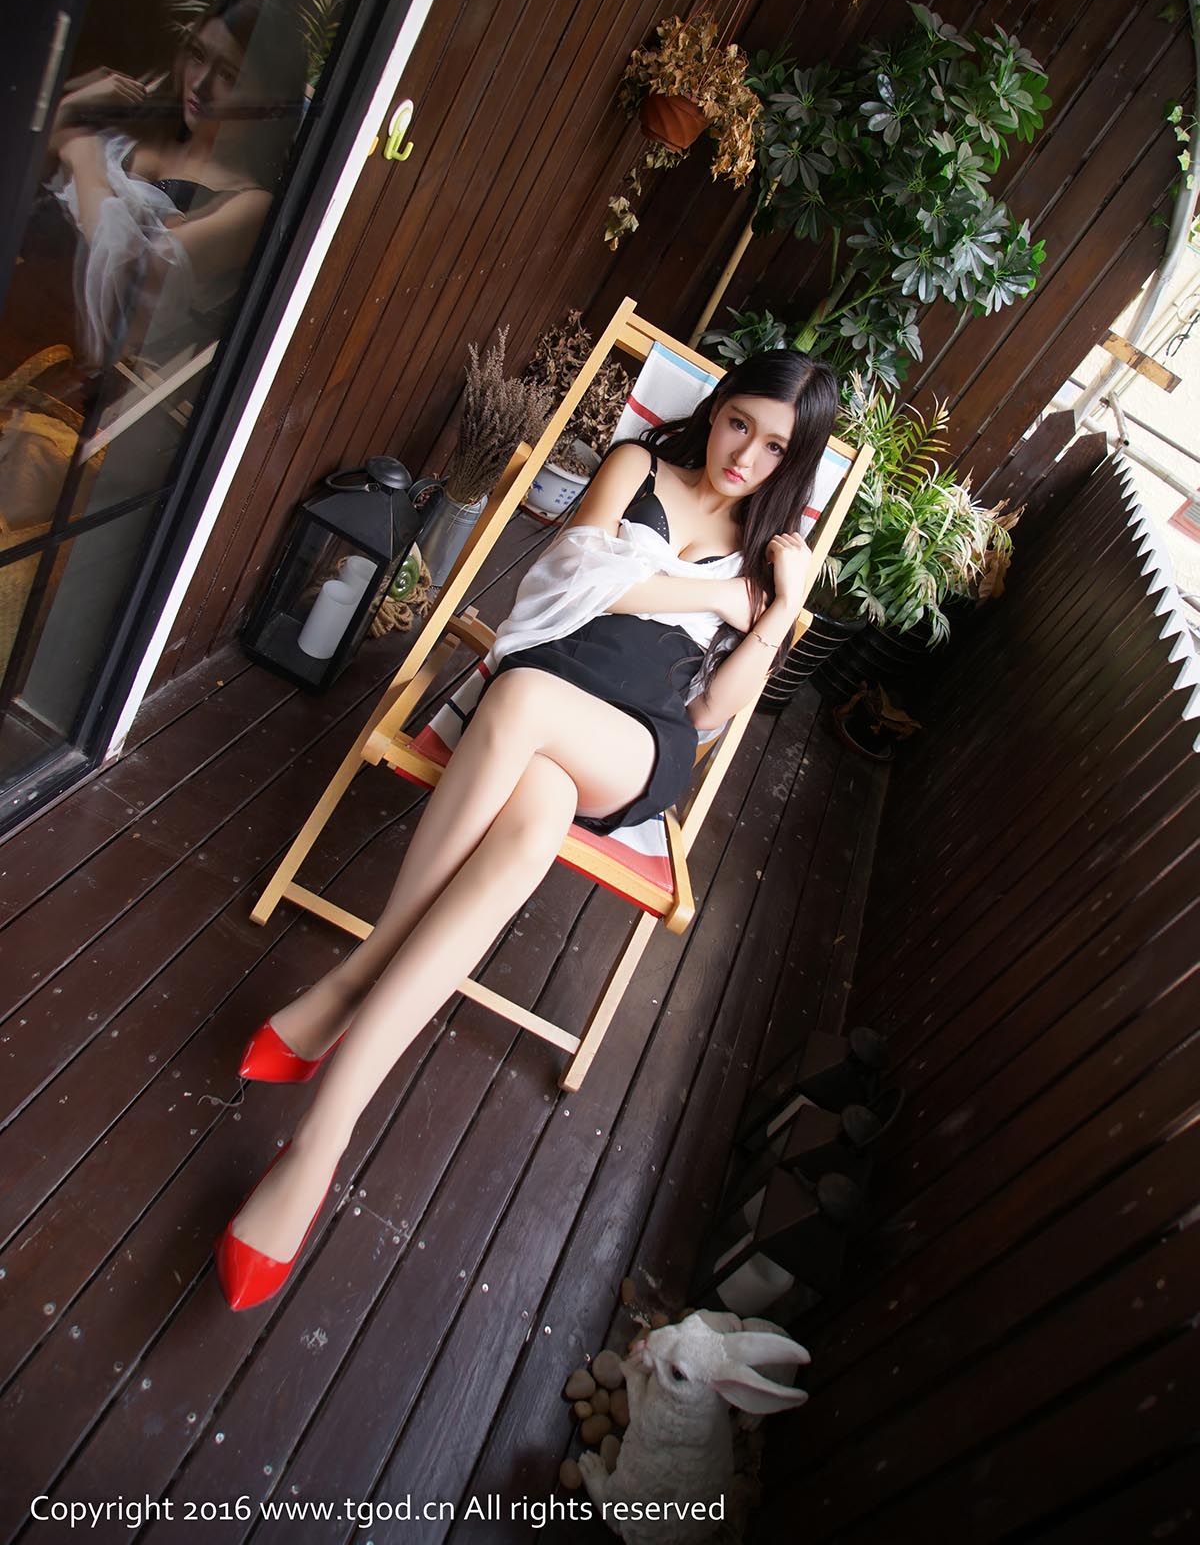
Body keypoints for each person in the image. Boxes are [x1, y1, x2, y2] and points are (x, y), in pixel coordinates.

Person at [215, 349, 840, 1309]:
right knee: (529, 823)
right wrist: (717, 595)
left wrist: (776, 608)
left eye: (774, 449)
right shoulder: (637, 466)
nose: (744, 456)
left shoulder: (766, 561)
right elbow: (576, 575)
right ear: (716, 411)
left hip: (635, 742)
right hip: (544, 693)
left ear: (794, 464)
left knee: (522, 705)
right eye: (738, 424)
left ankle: (356, 975)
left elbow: (713, 714)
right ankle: (317, 1148)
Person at [45, 0, 307, 372]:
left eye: (229, 76)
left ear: (269, 106)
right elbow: (31, 161)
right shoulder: (142, 118)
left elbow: (127, 281)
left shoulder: (250, 204)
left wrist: (83, 155)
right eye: (198, 56)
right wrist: (72, 106)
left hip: (64, 365)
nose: (200, 83)